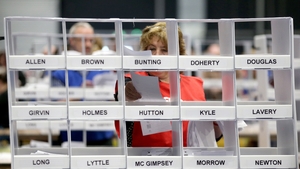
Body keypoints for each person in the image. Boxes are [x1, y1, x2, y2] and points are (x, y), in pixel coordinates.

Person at [114, 22, 222, 147]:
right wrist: (128, 92)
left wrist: (215, 123)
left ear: (178, 54)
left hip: (188, 159)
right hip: (145, 161)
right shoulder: (131, 80)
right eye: (152, 49)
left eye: (164, 50)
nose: (157, 55)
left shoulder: (195, 84)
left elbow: (211, 137)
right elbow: (124, 93)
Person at [51, 22, 115, 146]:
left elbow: (114, 100)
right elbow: (55, 106)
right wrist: (80, 93)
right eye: (83, 40)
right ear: (71, 41)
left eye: (91, 40)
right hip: (72, 139)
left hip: (102, 136)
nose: (88, 44)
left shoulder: (103, 68)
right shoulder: (59, 72)